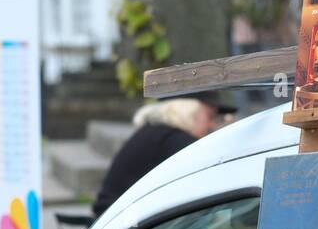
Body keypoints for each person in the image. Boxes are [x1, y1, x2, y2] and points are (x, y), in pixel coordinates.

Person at [91, 93, 235, 219]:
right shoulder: (174, 140)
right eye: (210, 116)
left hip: (115, 220)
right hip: (122, 227)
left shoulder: (158, 133)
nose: (212, 125)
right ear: (187, 112)